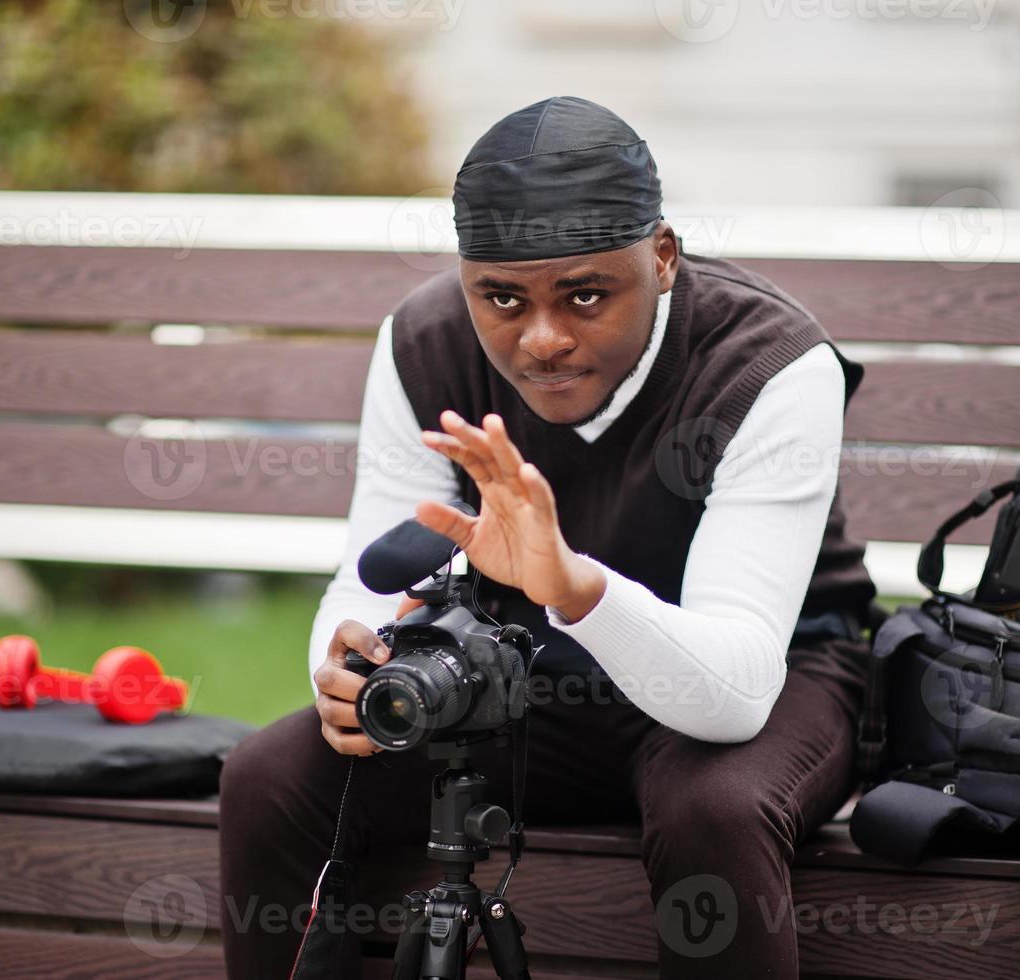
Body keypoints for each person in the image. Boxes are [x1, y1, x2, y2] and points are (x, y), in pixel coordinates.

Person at [219, 95, 878, 978]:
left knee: (710, 809)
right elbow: (372, 569)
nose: (541, 339)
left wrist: (572, 587)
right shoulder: (423, 340)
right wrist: (341, 667)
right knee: (271, 775)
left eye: (586, 295)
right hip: (521, 678)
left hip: (765, 679)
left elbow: (734, 692)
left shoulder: (770, 361)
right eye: (500, 298)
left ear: (664, 257)